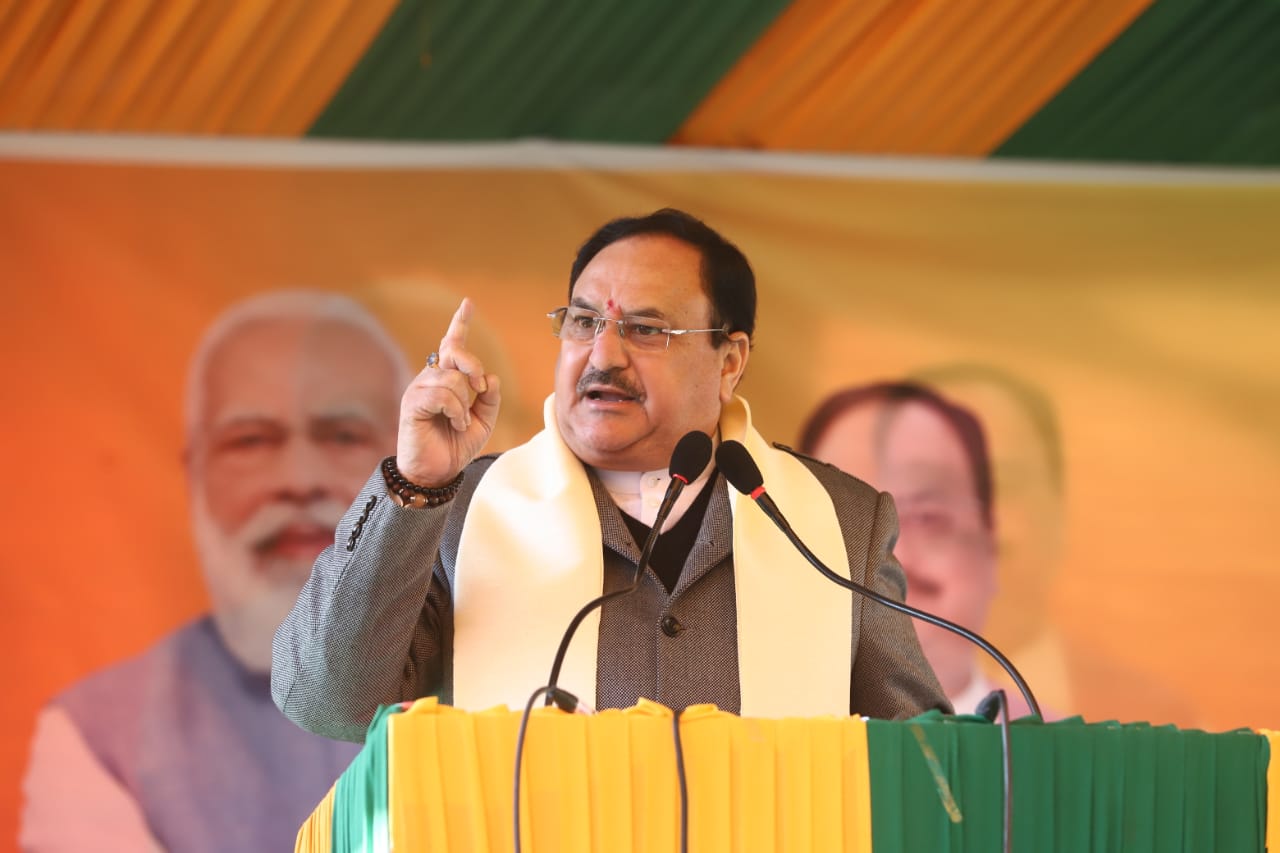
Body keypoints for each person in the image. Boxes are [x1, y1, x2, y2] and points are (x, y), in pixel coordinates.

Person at [272, 209, 949, 743]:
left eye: (647, 329)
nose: (603, 355)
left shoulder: (837, 522)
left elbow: (929, 769)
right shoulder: (460, 511)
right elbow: (328, 703)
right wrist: (415, 486)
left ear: (730, 359)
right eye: (583, 321)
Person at [20, 292, 408, 853]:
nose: (299, 479)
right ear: (195, 473)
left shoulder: (504, 674)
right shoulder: (97, 739)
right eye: (250, 440)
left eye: (342, 436)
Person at [799, 382, 1036, 717]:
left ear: (991, 542)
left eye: (929, 517)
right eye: (850, 522)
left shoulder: (1063, 754)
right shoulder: (752, 739)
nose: (894, 558)